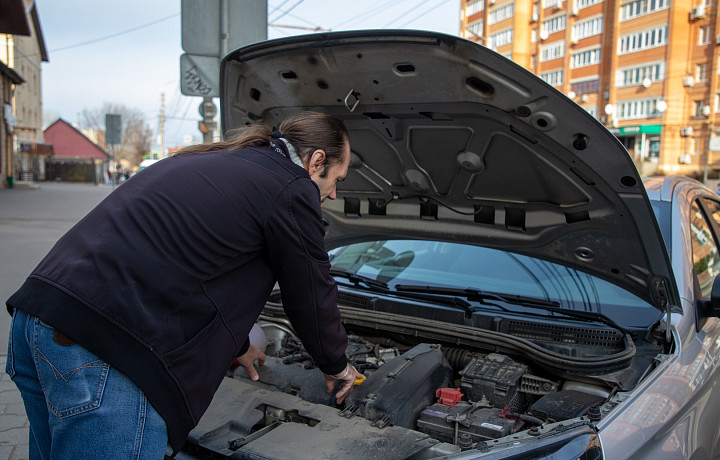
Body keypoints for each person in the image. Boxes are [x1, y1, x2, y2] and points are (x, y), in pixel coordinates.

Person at [5, 111, 361, 459]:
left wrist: (237, 346)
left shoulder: (217, 161)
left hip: (39, 321)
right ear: (316, 161)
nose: (332, 196)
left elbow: (193, 270)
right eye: (338, 181)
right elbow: (311, 293)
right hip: (104, 350)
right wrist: (336, 364)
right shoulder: (291, 186)